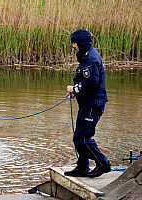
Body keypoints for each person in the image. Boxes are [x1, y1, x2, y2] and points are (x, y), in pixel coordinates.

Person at [65, 29, 111, 178]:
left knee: (83, 139)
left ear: (81, 43)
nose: (74, 47)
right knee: (79, 137)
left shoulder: (90, 58)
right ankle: (83, 167)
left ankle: (103, 163)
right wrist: (76, 92)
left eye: (75, 44)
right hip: (88, 103)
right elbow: (86, 82)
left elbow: (91, 82)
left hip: (93, 105)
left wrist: (74, 88)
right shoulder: (87, 55)